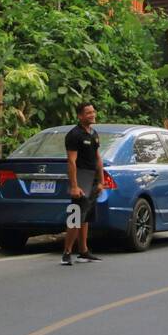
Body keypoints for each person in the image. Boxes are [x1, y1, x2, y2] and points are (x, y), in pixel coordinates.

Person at [62, 102, 104, 265]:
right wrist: (74, 185)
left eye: (93, 111)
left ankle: (83, 250)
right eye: (88, 113)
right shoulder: (74, 135)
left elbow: (98, 158)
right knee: (76, 216)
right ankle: (66, 252)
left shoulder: (93, 133)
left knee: (86, 216)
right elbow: (71, 161)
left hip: (92, 177)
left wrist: (101, 181)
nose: (92, 114)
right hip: (81, 177)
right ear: (80, 116)